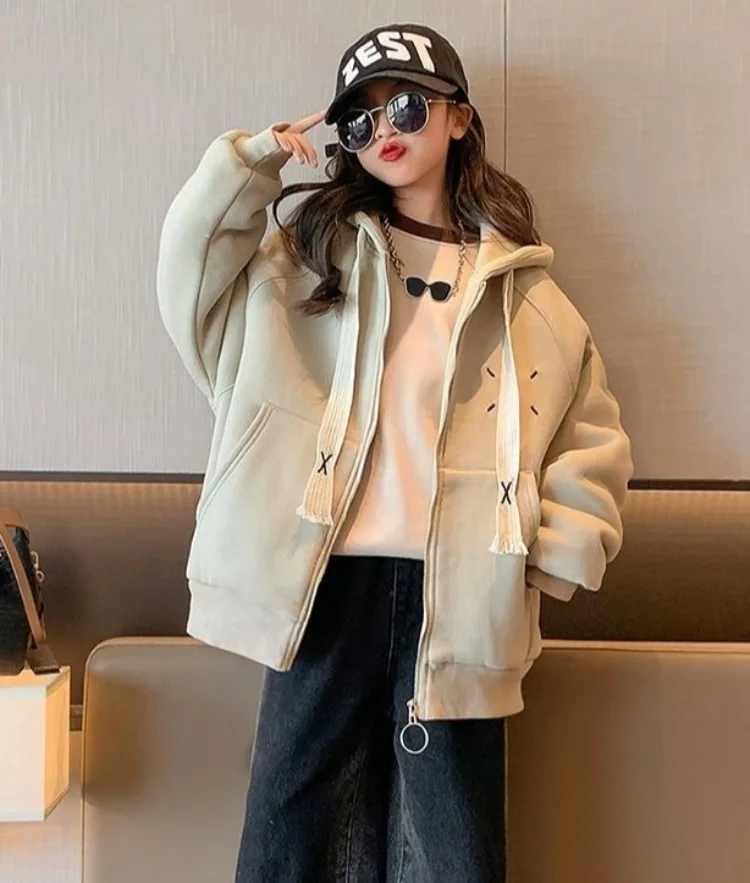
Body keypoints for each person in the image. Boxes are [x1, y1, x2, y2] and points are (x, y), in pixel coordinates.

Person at [157, 22, 633, 883]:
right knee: (290, 843)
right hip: (321, 588)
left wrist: (548, 554)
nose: (385, 130)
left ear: (458, 118)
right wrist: (253, 165)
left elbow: (589, 432)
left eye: (407, 106)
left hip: (461, 598)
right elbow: (188, 283)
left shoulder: (525, 292)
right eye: (361, 118)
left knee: (453, 850)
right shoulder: (302, 264)